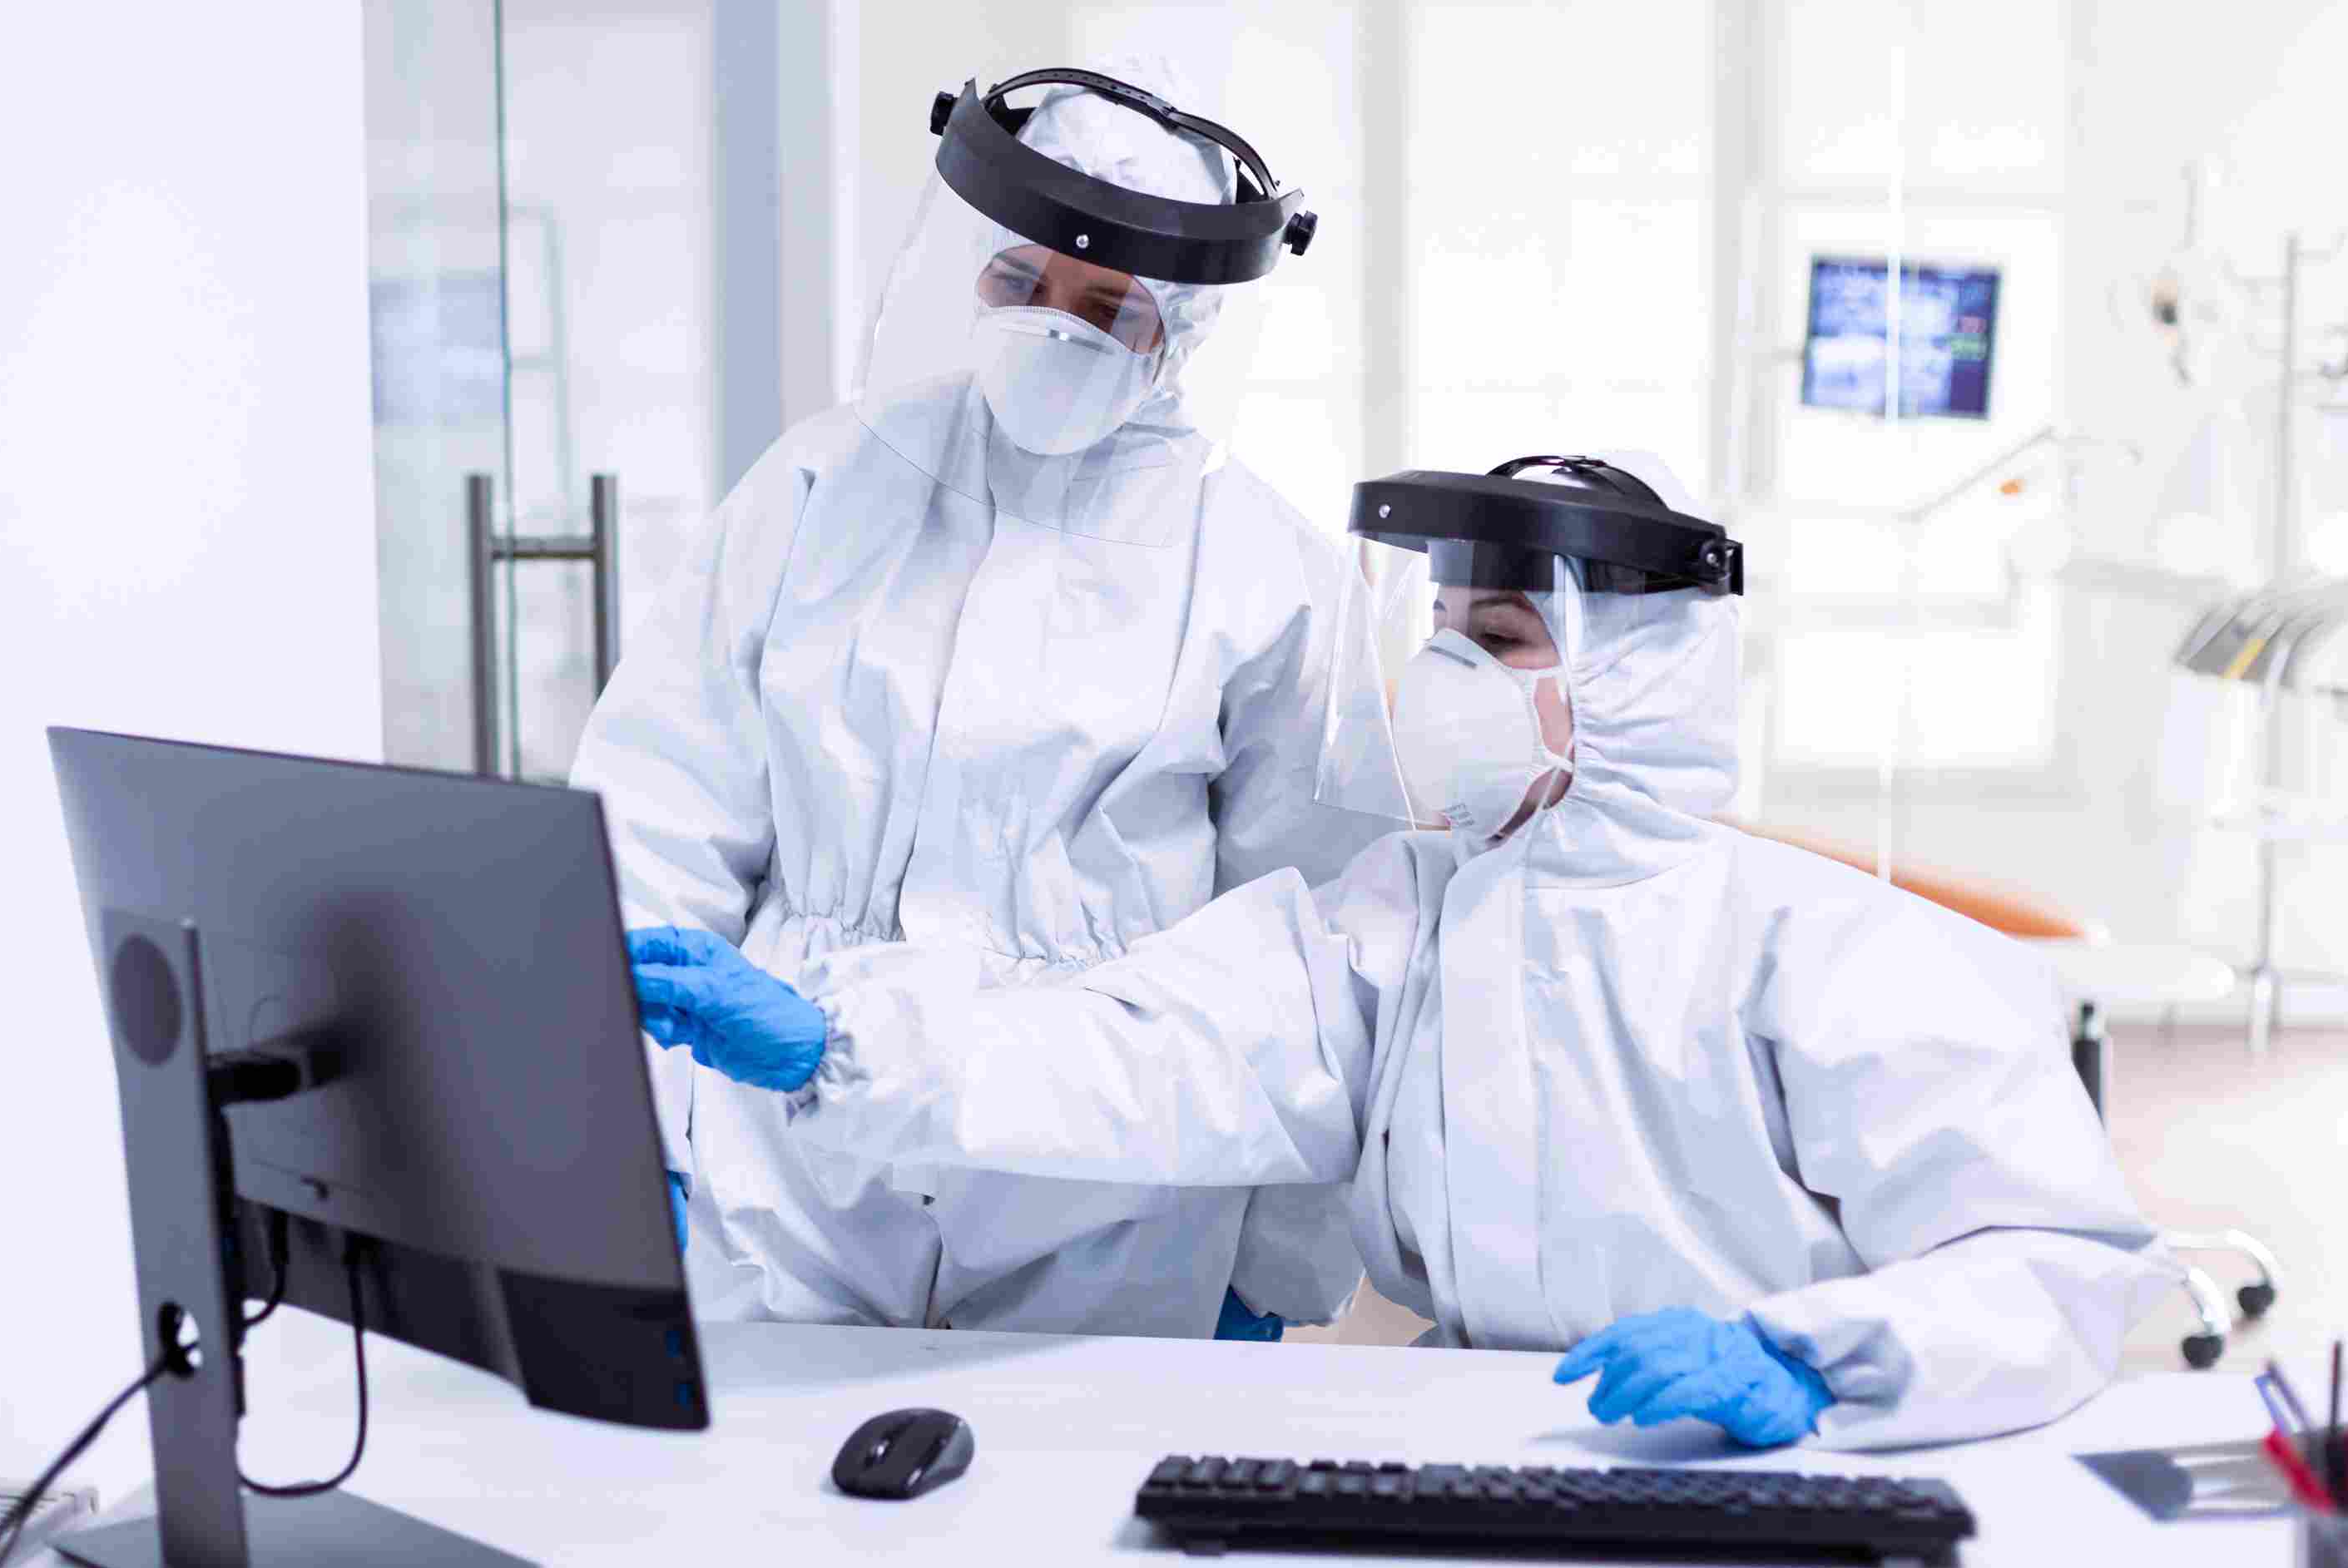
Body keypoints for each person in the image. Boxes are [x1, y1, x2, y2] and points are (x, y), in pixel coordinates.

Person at [632, 451, 2177, 1450]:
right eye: (1440, 633)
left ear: (1642, 677)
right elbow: (1147, 1043)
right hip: (1489, 1430)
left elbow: (2054, 1270)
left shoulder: (1834, 952)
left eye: (1501, 642)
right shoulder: (1407, 914)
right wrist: (840, 1043)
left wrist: (1817, 1359)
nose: (1447, 672)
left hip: (1790, 1458)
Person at [572, 58, 1405, 1340]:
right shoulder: (823, 486)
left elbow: (1318, 941)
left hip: (1109, 1182)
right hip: (788, 1162)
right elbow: (656, 817)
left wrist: (1273, 1270)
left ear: (1181, 333)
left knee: (1061, 1520)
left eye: (1107, 306)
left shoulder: (1260, 569)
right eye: (1020, 282)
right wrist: (626, 1137)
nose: (1051, 325)